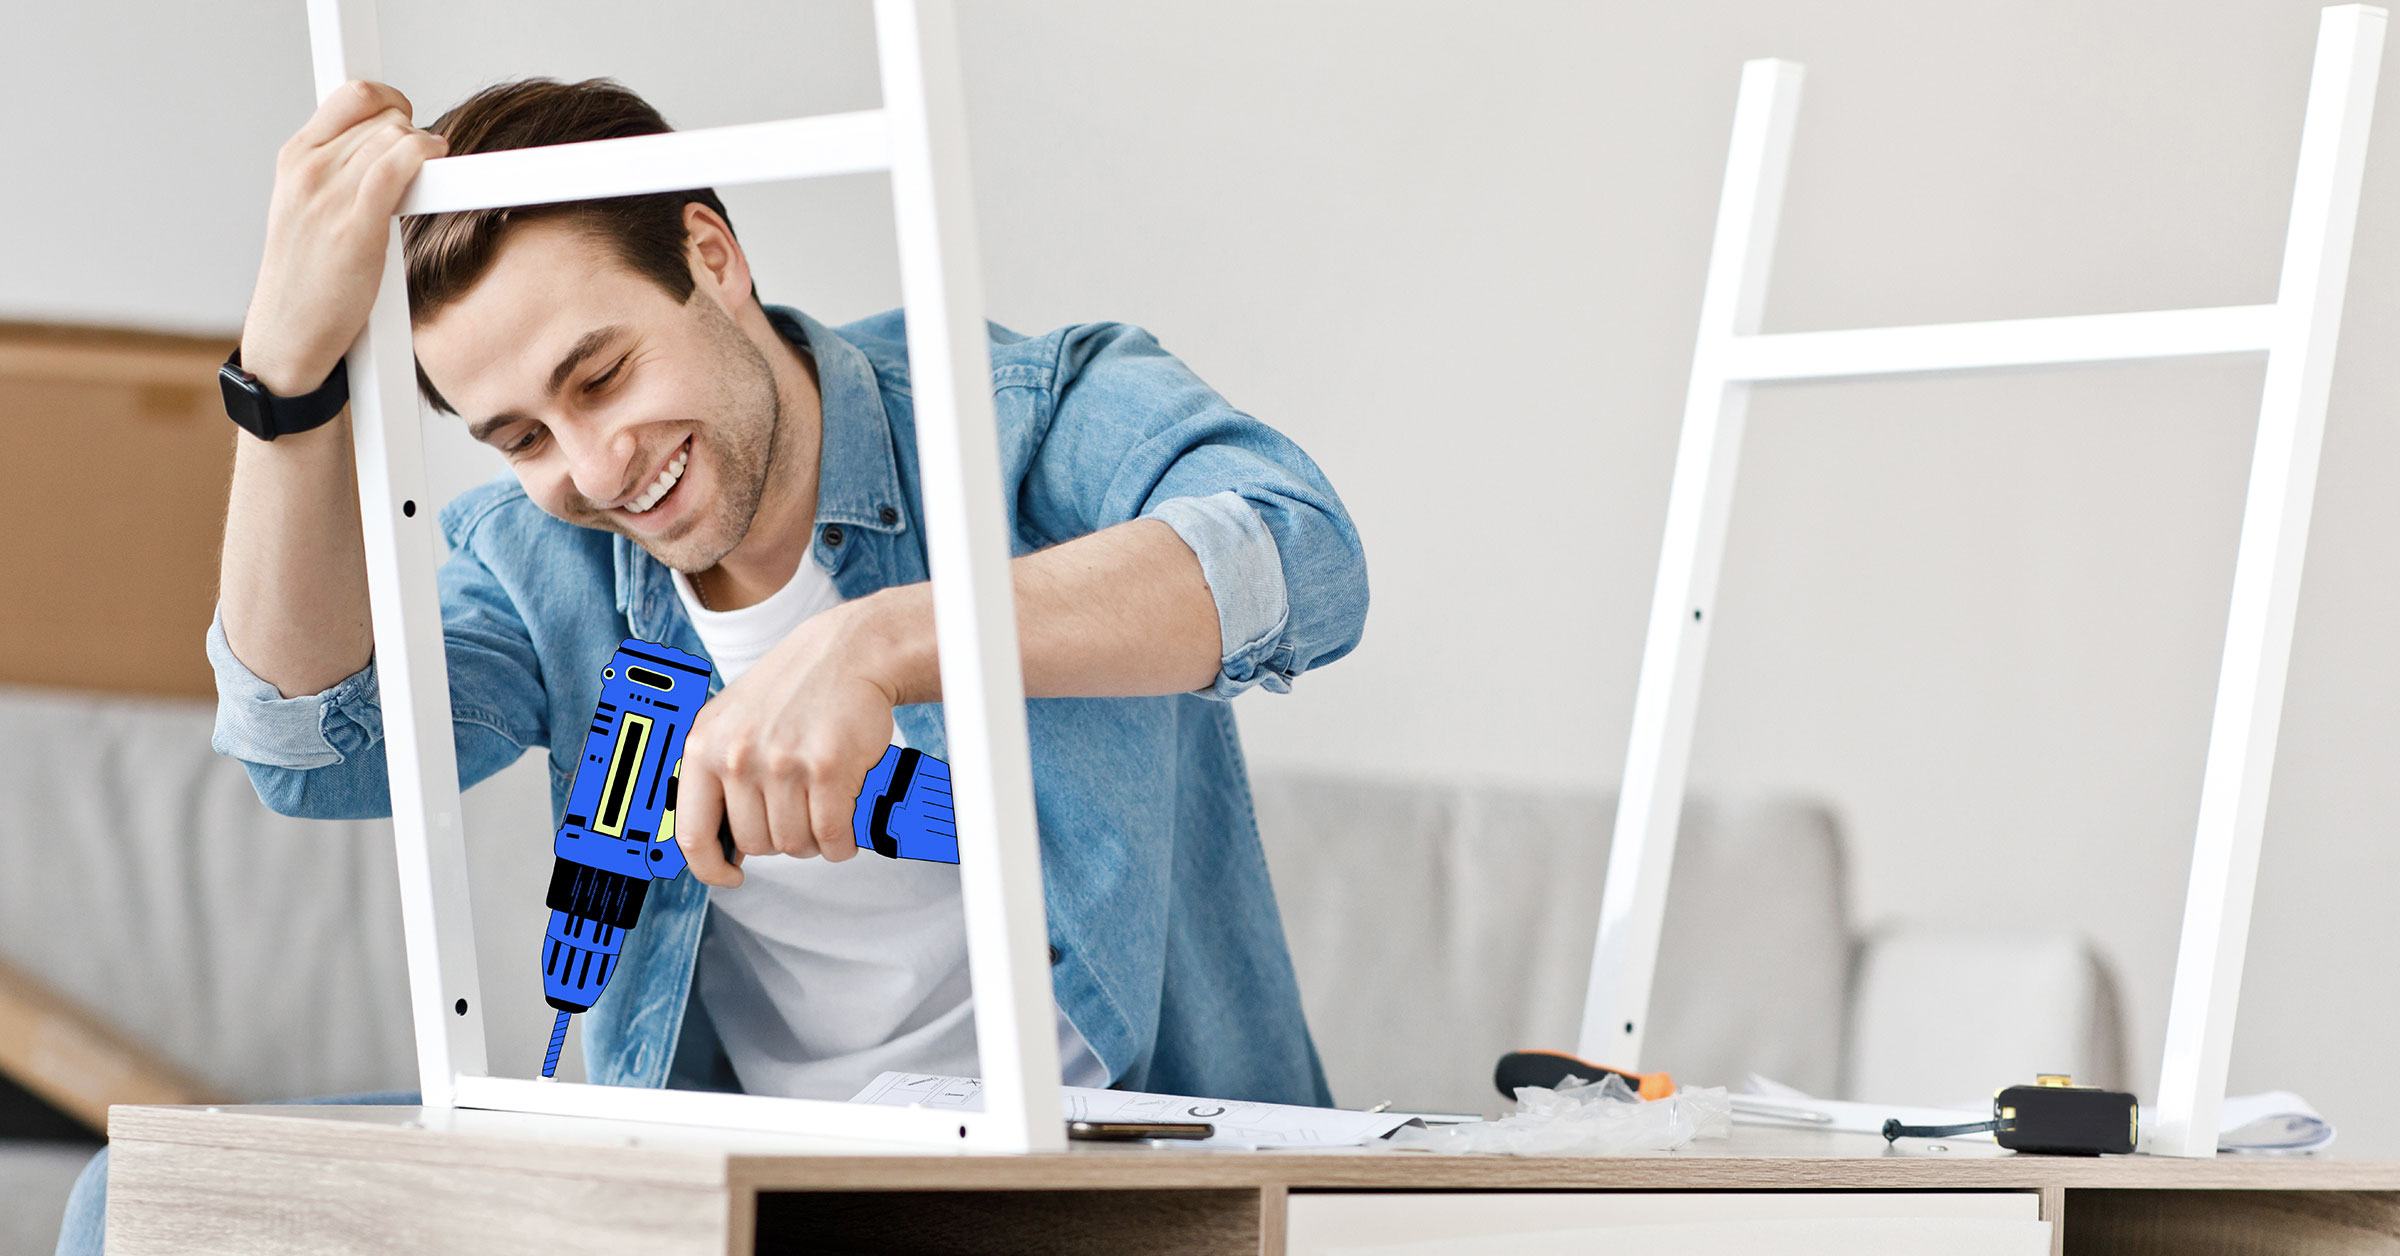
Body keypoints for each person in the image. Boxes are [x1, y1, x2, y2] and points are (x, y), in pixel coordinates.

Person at [56, 76, 1365, 1255]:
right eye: (520, 435)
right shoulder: (538, 560)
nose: (595, 467)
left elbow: (1302, 558)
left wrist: (879, 642)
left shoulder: (1022, 413)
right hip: (723, 1182)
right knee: (137, 1201)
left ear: (712, 255)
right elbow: (314, 756)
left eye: (603, 375)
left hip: (1095, 1174)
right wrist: (283, 379)